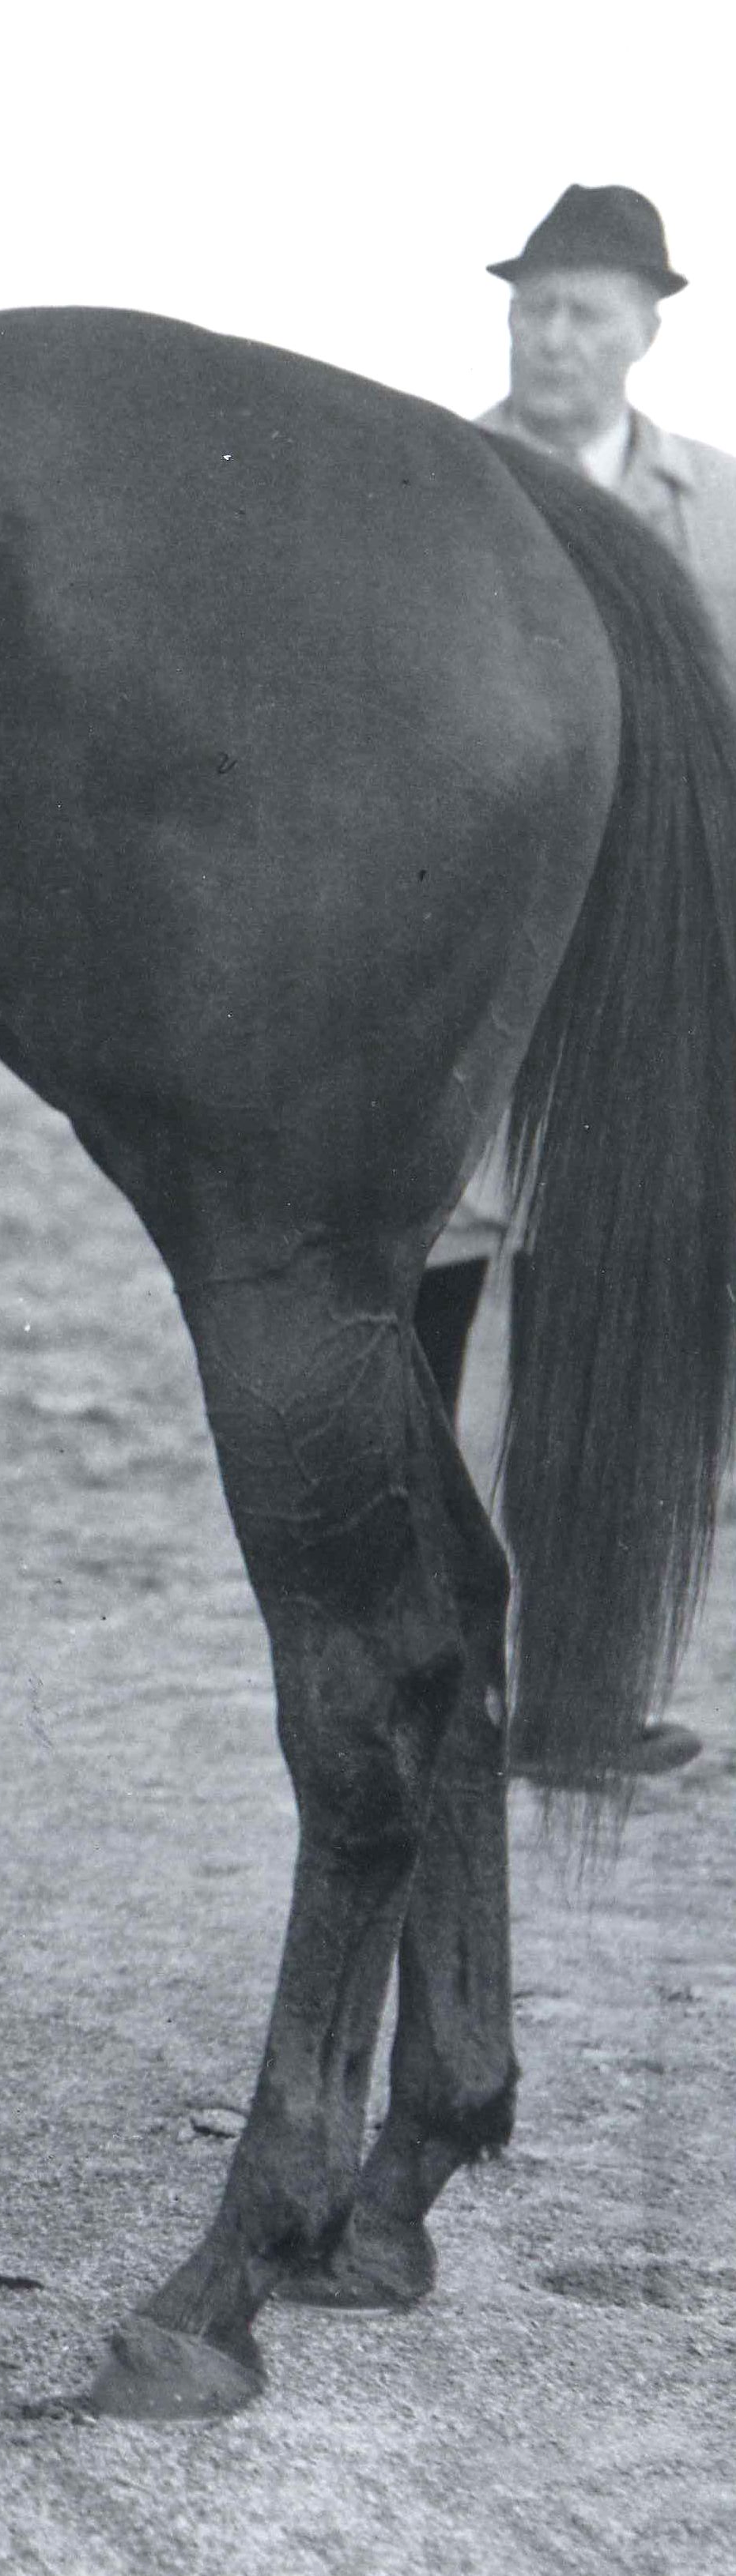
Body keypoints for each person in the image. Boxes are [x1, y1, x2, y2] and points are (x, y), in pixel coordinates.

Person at [422, 182, 725, 1774]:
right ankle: (417, 1676)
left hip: (632, 1004)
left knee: (597, 1354)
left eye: (584, 310)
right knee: (414, 1319)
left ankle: (579, 1699)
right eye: (531, 304)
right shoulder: (431, 490)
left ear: (644, 328)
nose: (550, 335)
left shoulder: (715, 510)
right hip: (457, 985)